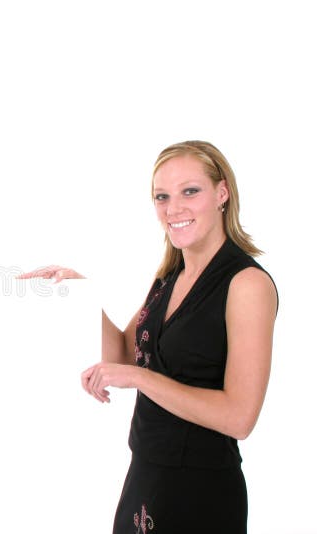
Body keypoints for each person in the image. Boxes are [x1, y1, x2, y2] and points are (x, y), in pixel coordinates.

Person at [19, 141, 277, 533]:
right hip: (144, 477)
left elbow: (240, 418)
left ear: (222, 193)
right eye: (162, 196)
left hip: (200, 493)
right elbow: (124, 356)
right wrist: (83, 294)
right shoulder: (169, 277)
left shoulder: (247, 284)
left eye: (190, 191)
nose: (174, 208)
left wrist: (141, 379)